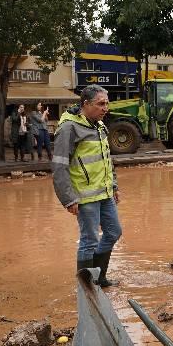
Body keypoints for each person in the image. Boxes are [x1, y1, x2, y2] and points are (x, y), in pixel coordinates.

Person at [52, 85, 121, 287]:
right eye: (101, 104)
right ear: (85, 104)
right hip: (85, 196)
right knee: (89, 240)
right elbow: (59, 166)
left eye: (107, 103)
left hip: (105, 193)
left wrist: (114, 185)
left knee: (113, 232)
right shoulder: (69, 128)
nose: (105, 108)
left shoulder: (99, 126)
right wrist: (68, 199)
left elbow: (106, 159)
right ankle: (86, 286)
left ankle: (98, 277)